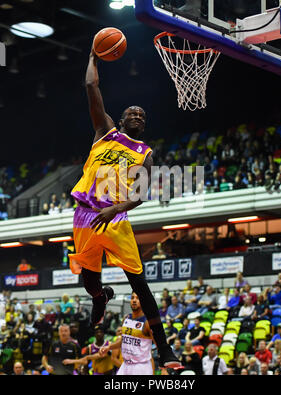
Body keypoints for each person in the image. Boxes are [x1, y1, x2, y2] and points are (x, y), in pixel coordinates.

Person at [67, 44, 179, 368]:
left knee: (140, 284)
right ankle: (100, 298)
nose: (138, 116)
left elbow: (142, 195)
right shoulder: (104, 131)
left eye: (142, 115)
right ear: (121, 118)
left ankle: (165, 349)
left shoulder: (146, 153)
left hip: (114, 218)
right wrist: (91, 57)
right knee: (90, 281)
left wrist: (115, 210)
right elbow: (91, 87)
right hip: (85, 215)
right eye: (133, 113)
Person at [98, 292, 155, 375]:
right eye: (132, 298)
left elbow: (161, 345)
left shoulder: (148, 322)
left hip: (141, 366)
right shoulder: (127, 318)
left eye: (138, 298)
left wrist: (164, 368)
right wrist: (109, 347)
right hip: (126, 365)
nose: (134, 300)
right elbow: (123, 341)